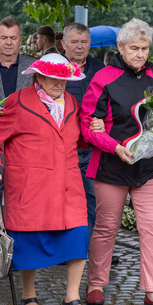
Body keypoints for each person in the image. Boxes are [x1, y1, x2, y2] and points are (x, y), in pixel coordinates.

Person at [81, 18, 153, 305]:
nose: (140, 54)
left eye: (144, 48)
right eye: (134, 48)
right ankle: (96, 285)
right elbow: (88, 127)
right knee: (106, 227)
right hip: (112, 165)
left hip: (150, 165)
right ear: (120, 47)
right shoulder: (103, 77)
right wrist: (114, 146)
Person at [0, 54, 94, 305]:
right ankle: (28, 295)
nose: (60, 84)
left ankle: (72, 298)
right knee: (28, 243)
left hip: (68, 186)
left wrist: (94, 131)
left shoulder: (73, 104)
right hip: (31, 188)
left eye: (64, 79)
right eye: (54, 78)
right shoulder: (18, 102)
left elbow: (81, 139)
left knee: (78, 235)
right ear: (38, 78)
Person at [60, 22, 103, 236]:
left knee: (93, 197)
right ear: (63, 44)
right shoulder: (54, 69)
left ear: (89, 44)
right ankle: (66, 249)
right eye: (74, 42)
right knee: (62, 197)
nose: (79, 46)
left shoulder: (100, 69)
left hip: (92, 146)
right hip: (62, 146)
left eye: (84, 42)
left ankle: (95, 248)